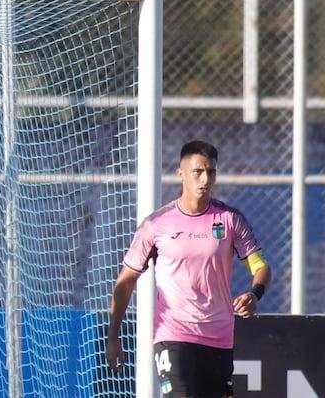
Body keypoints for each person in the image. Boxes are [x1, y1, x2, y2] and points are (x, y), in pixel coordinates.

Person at [106, 140, 272, 398]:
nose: (205, 179)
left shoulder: (229, 220)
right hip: (173, 335)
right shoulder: (156, 225)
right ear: (181, 174)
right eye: (198, 171)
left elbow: (260, 266)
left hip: (219, 337)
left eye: (211, 172)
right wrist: (113, 334)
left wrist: (255, 293)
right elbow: (126, 281)